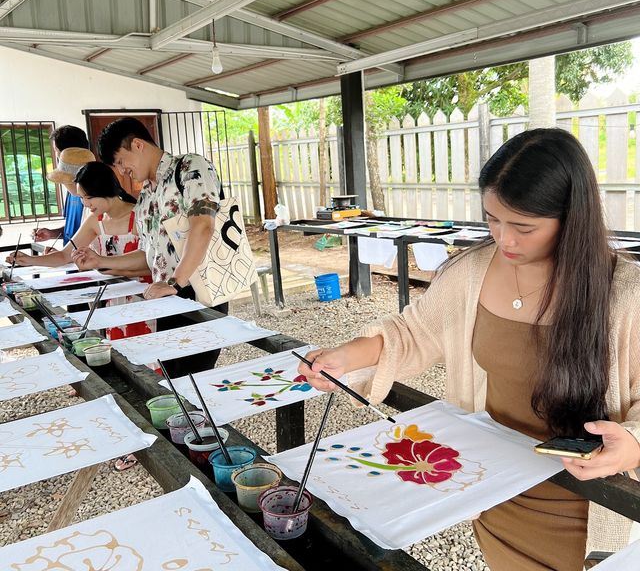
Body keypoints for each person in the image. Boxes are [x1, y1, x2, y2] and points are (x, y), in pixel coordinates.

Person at [299, 128, 640, 571]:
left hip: (587, 506)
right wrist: (343, 358)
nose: (505, 239)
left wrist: (632, 444)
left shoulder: (626, 295)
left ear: (572, 218)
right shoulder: (472, 271)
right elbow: (412, 333)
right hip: (494, 492)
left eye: (523, 227)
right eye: (492, 219)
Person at [72, 117, 228, 378]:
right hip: (164, 295)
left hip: (196, 292)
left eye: (121, 161)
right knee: (171, 379)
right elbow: (149, 257)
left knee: (194, 380)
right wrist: (101, 262)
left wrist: (176, 283)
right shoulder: (145, 194)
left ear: (137, 145)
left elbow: (203, 226)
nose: (122, 171)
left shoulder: (190, 166)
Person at [8, 161, 153, 340]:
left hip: (144, 296)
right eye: (82, 198)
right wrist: (29, 260)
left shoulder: (140, 216)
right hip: (112, 297)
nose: (85, 204)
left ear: (104, 190)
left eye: (88, 198)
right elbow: (64, 255)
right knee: (117, 346)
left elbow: (152, 261)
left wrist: (109, 266)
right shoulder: (96, 220)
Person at [34, 126, 91, 245]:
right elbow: (73, 227)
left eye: (56, 150)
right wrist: (52, 233)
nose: (56, 156)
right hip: (70, 258)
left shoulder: (94, 195)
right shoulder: (71, 188)